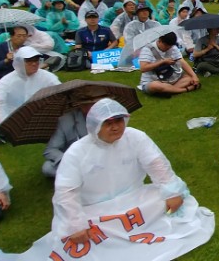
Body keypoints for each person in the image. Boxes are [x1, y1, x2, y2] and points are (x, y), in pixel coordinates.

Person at [51, 99, 196, 245]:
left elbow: (157, 165)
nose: (115, 127)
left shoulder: (136, 137)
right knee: (81, 232)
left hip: (136, 198)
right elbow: (66, 192)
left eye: (119, 121)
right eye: (108, 123)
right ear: (95, 126)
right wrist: (75, 225)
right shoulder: (76, 152)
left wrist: (172, 193)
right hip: (95, 208)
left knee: (169, 200)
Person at [0, 46, 61, 131]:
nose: (34, 63)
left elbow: (61, 92)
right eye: (29, 61)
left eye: (36, 60)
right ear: (20, 62)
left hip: (39, 117)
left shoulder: (47, 77)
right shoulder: (7, 81)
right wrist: (4, 125)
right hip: (12, 119)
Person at [42, 99, 94, 178]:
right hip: (73, 162)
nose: (92, 107)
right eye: (89, 104)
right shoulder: (65, 121)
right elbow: (50, 150)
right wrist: (69, 160)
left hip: (98, 158)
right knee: (47, 167)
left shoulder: (106, 117)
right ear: (81, 106)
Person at [118, 3, 159, 68]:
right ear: (137, 13)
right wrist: (139, 49)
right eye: (142, 11)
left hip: (153, 49)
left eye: (146, 11)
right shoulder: (130, 26)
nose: (144, 13)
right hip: (136, 51)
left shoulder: (156, 24)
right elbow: (129, 41)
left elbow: (159, 39)